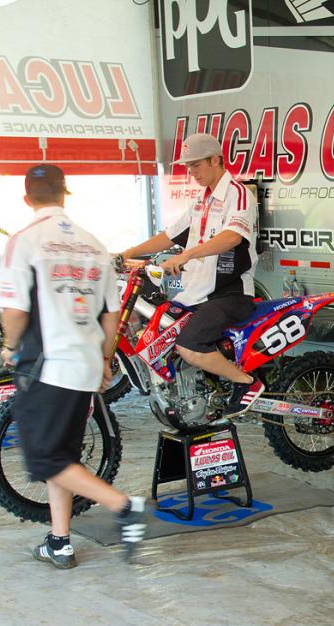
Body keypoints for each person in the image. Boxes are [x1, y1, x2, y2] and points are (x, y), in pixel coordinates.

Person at [0, 164, 148, 569]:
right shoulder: (94, 245)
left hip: (46, 366)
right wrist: (104, 358)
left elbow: (14, 309)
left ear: (27, 198)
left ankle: (123, 506)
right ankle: (59, 541)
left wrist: (9, 346)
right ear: (65, 195)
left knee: (46, 460)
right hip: (83, 365)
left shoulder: (24, 241)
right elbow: (112, 313)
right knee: (64, 458)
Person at [119, 132, 261, 415]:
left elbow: (232, 237)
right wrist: (127, 253)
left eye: (196, 165)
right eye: (188, 166)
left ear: (215, 160)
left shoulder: (237, 194)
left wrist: (187, 254)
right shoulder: (201, 199)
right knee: (159, 333)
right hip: (195, 293)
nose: (191, 172)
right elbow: (169, 236)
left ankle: (247, 383)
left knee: (189, 344)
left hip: (228, 294)